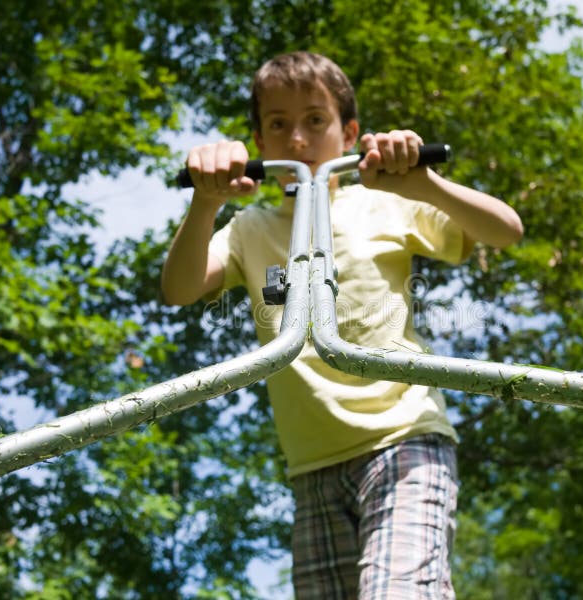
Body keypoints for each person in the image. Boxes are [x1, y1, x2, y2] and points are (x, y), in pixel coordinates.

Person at [161, 51, 523, 599]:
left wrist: (422, 183)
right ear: (258, 142)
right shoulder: (249, 228)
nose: (298, 139)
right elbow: (180, 288)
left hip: (404, 439)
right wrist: (204, 203)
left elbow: (506, 231)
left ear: (349, 133)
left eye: (315, 120)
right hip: (312, 466)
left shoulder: (381, 202)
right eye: (278, 125)